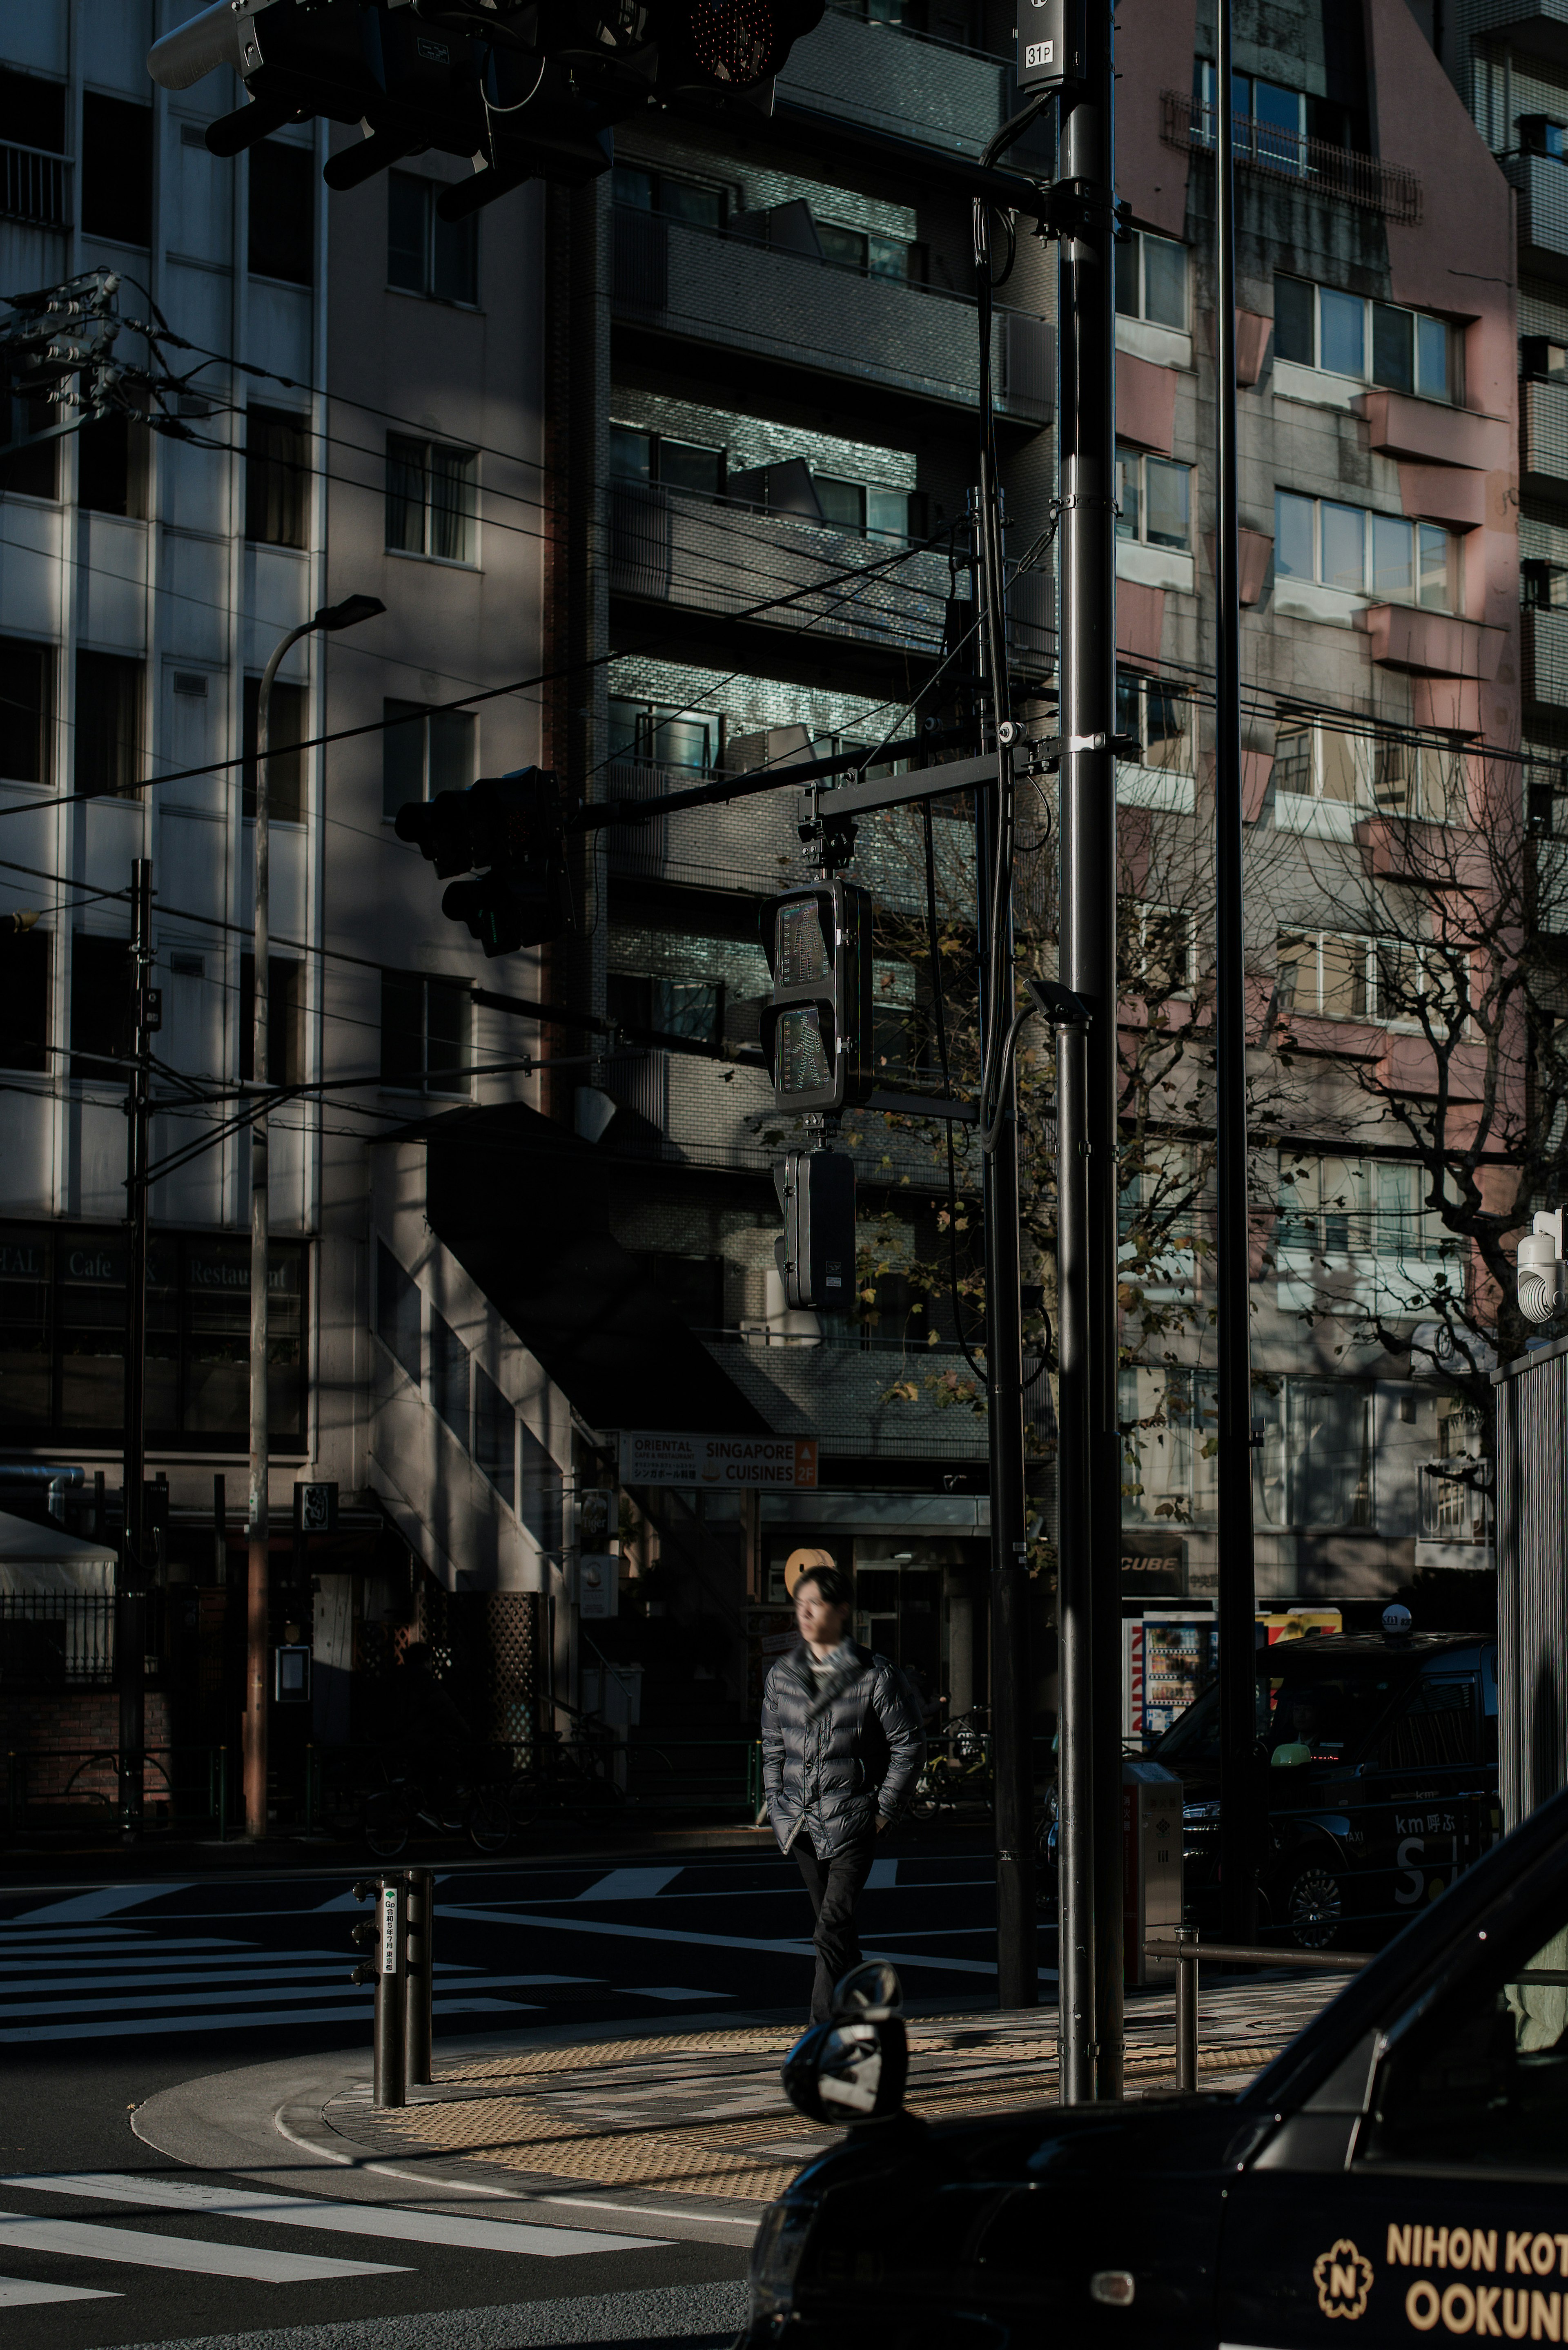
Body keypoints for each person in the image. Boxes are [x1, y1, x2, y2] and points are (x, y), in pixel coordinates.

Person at [759, 1564, 925, 2025]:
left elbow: (909, 1744)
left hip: (854, 1819)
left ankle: (821, 2033)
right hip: (802, 1825)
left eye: (817, 1603)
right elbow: (773, 1748)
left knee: (830, 1926)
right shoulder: (782, 1676)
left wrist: (884, 1810)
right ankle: (874, 2010)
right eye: (800, 1603)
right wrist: (778, 1807)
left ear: (842, 1611)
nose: (806, 1612)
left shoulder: (875, 1674)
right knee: (836, 1933)